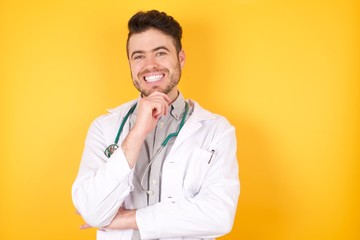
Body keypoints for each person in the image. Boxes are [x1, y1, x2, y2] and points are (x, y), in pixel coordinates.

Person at [72, 9, 240, 240]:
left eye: (160, 53)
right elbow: (92, 210)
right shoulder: (104, 128)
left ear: (180, 58)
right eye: (139, 56)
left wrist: (126, 219)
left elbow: (219, 215)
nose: (150, 65)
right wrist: (137, 133)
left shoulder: (217, 130)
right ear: (130, 63)